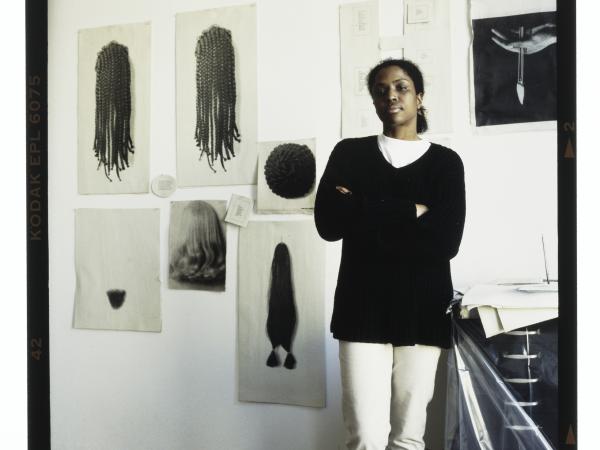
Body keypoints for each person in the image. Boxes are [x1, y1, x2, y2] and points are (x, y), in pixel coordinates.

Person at [314, 59, 466, 450]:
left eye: (400, 87)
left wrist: (363, 210)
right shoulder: (350, 153)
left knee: (408, 438)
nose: (391, 95)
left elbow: (445, 242)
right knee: (365, 437)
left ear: (419, 96)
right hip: (361, 308)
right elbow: (329, 225)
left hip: (423, 309)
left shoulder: (446, 164)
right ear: (375, 102)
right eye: (381, 90)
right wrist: (410, 211)